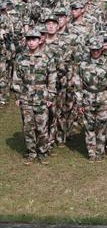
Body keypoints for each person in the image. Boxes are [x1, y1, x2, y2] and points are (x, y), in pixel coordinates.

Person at [11, 29, 57, 165]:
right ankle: (31, 153)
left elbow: (52, 78)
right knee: (28, 127)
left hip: (42, 98)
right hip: (25, 98)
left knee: (42, 127)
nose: (31, 42)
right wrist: (17, 96)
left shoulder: (47, 57)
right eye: (29, 39)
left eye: (34, 39)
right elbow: (16, 78)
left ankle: (42, 152)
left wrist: (50, 96)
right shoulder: (20, 58)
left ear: (39, 40)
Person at [74, 37, 107, 162]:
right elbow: (78, 85)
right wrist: (79, 103)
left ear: (101, 49)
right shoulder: (83, 64)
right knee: (89, 127)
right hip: (87, 98)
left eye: (98, 49)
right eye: (93, 50)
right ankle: (91, 153)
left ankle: (100, 152)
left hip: (103, 98)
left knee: (101, 127)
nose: (95, 52)